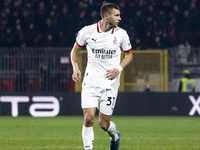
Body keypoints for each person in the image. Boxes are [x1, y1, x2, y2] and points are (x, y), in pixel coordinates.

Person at [70, 3, 133, 150]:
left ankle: (115, 136)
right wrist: (75, 68)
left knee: (103, 124)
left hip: (110, 84)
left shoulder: (121, 34)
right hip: (91, 81)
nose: (120, 18)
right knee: (88, 119)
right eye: (116, 15)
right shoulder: (87, 31)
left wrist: (119, 68)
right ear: (106, 16)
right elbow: (74, 51)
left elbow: (129, 54)